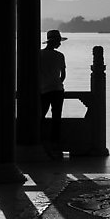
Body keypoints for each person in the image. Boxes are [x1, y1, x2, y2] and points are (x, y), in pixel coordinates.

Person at [39, 29, 67, 159]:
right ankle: (55, 144)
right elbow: (63, 76)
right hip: (57, 90)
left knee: (40, 117)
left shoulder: (39, 55)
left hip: (43, 90)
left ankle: (39, 142)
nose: (60, 44)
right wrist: (56, 82)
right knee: (57, 117)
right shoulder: (60, 56)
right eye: (59, 42)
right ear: (55, 42)